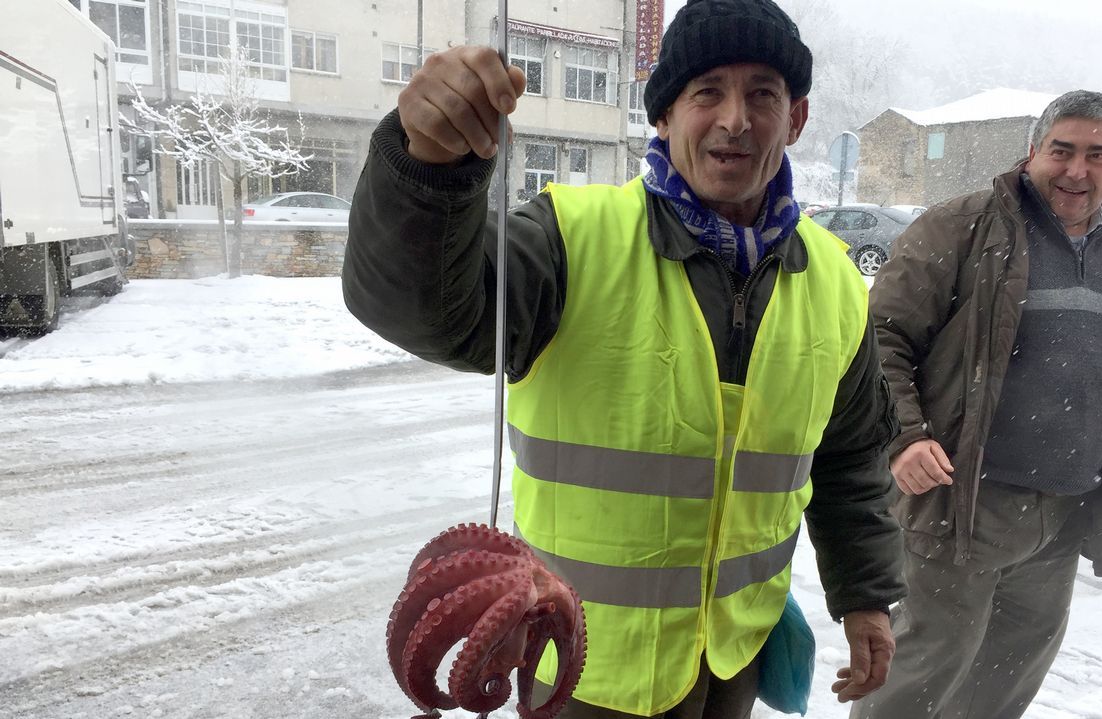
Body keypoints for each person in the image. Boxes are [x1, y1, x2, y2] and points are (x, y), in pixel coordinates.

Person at [342, 1, 907, 717]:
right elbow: (419, 305)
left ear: (795, 119)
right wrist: (424, 167)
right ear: (663, 118)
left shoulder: (834, 284)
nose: (735, 117)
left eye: (762, 93)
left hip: (732, 662)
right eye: (707, 93)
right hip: (581, 669)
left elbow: (851, 458)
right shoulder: (571, 240)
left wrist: (866, 595)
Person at [852, 89, 1102, 719]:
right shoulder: (963, 227)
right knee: (923, 673)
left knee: (1007, 677)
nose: (1077, 170)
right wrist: (904, 436)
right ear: (1033, 152)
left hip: (1066, 509)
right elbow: (877, 339)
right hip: (964, 502)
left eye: (1096, 155)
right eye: (1062, 150)